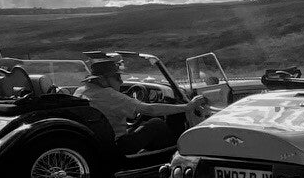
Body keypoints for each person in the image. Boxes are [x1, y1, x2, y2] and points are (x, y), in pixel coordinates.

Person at [73, 58, 207, 153]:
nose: (121, 82)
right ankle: (176, 152)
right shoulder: (110, 95)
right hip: (117, 145)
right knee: (156, 123)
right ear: (102, 80)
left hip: (97, 142)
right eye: (117, 78)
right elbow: (150, 109)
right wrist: (188, 107)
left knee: (142, 124)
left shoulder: (80, 91)